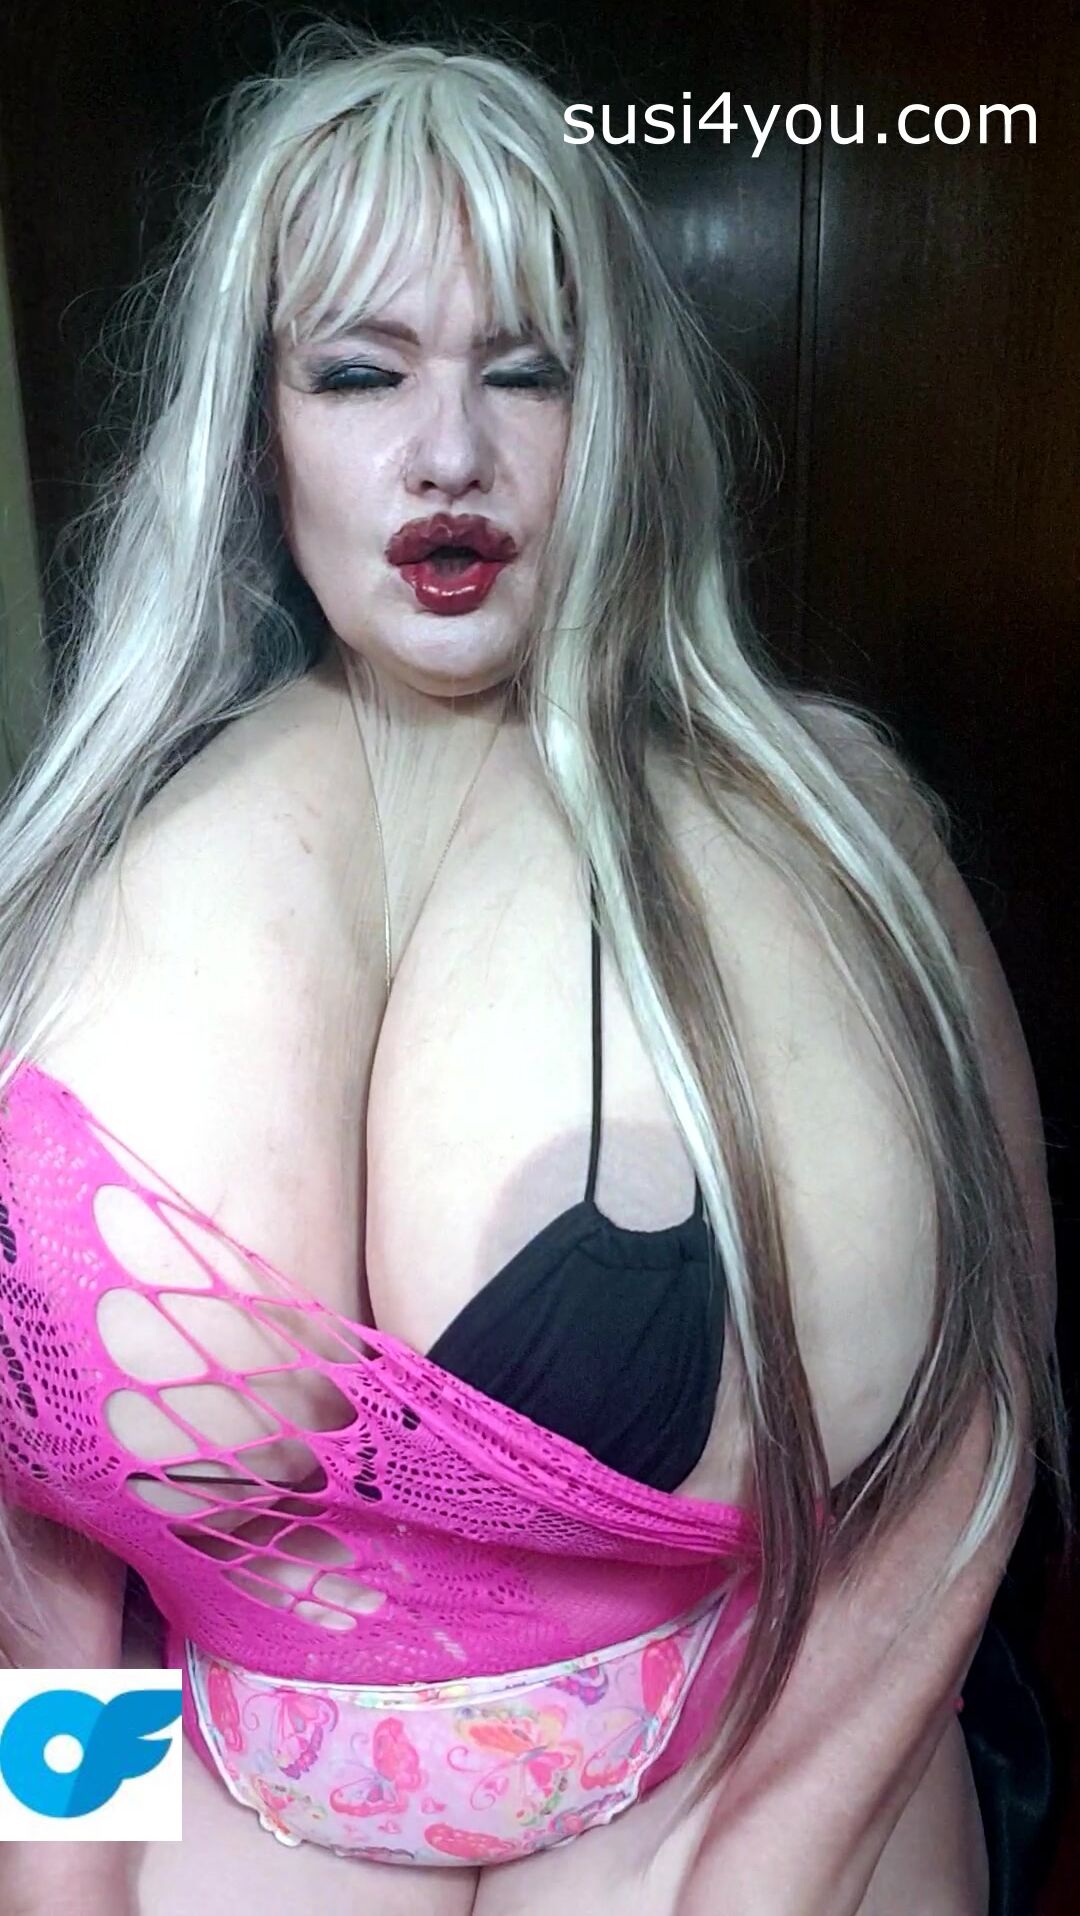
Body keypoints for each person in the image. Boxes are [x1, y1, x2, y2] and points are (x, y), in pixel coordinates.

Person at [0, 27, 1067, 1916]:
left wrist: (771, 1867)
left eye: (527, 370)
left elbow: (980, 1422)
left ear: (618, 413)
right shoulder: (85, 863)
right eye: (359, 372)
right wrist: (55, 1854)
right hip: (248, 1766)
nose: (449, 453)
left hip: (728, 1754)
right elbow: (42, 1543)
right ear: (254, 428)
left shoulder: (838, 822)